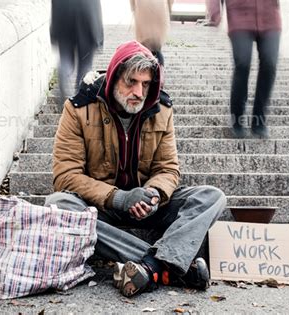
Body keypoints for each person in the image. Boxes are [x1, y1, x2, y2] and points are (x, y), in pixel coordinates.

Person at [45, 41, 226, 297]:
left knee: (211, 196)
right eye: (131, 82)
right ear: (113, 79)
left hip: (148, 207)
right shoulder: (79, 109)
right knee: (58, 204)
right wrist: (119, 197)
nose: (139, 92)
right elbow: (65, 177)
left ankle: (150, 267)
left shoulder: (162, 110)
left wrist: (154, 194)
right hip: (103, 208)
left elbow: (168, 168)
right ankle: (166, 265)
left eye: (145, 84)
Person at [210, 0, 281, 138]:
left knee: (270, 64)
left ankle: (259, 120)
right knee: (242, 64)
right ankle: (237, 118)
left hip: (270, 17)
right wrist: (215, 12)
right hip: (239, 16)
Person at [50, 0, 104, 106]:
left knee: (65, 58)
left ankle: (64, 75)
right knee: (85, 64)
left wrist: (53, 31)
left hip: (63, 10)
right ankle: (79, 102)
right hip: (88, 12)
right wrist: (99, 36)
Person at [129, 0, 174, 65]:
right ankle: (159, 70)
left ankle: (146, 70)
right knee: (156, 48)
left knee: (143, 48)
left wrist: (133, 8)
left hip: (142, 9)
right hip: (159, 9)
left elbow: (132, 3)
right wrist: (168, 8)